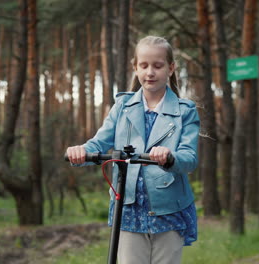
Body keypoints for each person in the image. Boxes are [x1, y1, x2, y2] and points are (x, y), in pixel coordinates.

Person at [66, 36, 199, 264]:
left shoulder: (184, 111)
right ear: (135, 67)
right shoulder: (123, 107)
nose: (150, 72)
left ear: (171, 68)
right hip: (128, 210)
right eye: (144, 65)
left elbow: (189, 157)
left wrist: (169, 158)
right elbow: (98, 144)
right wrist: (81, 152)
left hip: (168, 210)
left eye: (157, 66)